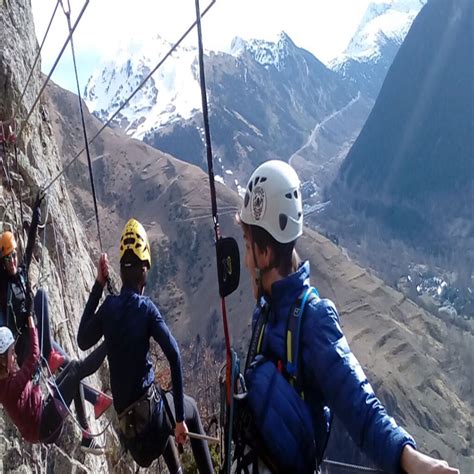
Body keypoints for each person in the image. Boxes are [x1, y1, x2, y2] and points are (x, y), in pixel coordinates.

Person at [235, 160, 459, 474]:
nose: (245, 260)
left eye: (248, 246)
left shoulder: (313, 320)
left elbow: (361, 407)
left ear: (265, 254)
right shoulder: (268, 310)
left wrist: (412, 461)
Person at [77, 218, 214, 473]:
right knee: (188, 407)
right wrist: (181, 420)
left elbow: (82, 339)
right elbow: (174, 355)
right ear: (144, 271)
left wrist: (98, 285)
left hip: (132, 435)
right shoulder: (146, 310)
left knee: (158, 401)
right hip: (151, 423)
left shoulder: (109, 308)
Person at [0, 193, 112, 420]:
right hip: (25, 346)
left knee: (72, 366)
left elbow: (29, 248)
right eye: (7, 259)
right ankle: (51, 355)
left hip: (37, 337)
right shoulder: (2, 287)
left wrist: (35, 216)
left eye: (13, 256)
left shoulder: (20, 273)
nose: (12, 261)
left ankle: (94, 409)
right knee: (41, 296)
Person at [0, 312, 106, 453]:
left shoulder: (6, 377)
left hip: (43, 413)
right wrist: (31, 322)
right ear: (2, 360)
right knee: (77, 369)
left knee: (73, 367)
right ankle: (110, 341)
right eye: (12, 353)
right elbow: (33, 356)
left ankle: (86, 435)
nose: (15, 356)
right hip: (44, 425)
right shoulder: (9, 389)